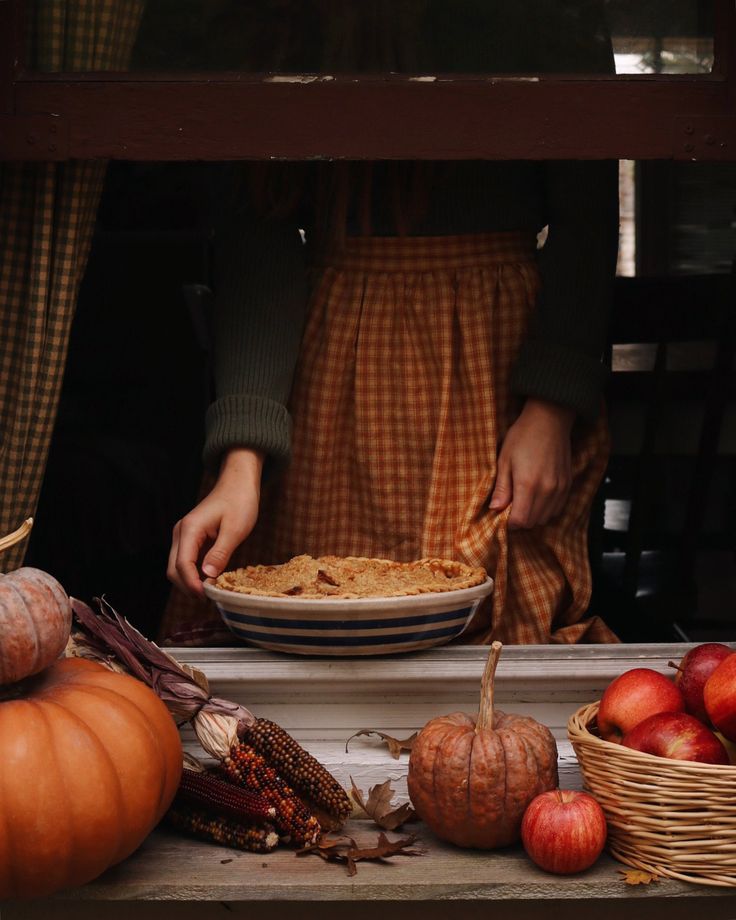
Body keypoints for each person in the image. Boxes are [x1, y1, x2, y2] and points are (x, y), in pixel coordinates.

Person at [164, 2, 621, 645]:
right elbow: (259, 233)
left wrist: (552, 404)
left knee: (487, 614)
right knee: (310, 611)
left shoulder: (541, 17)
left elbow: (588, 219)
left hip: (493, 356)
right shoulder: (286, 23)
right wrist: (243, 455)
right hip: (325, 354)